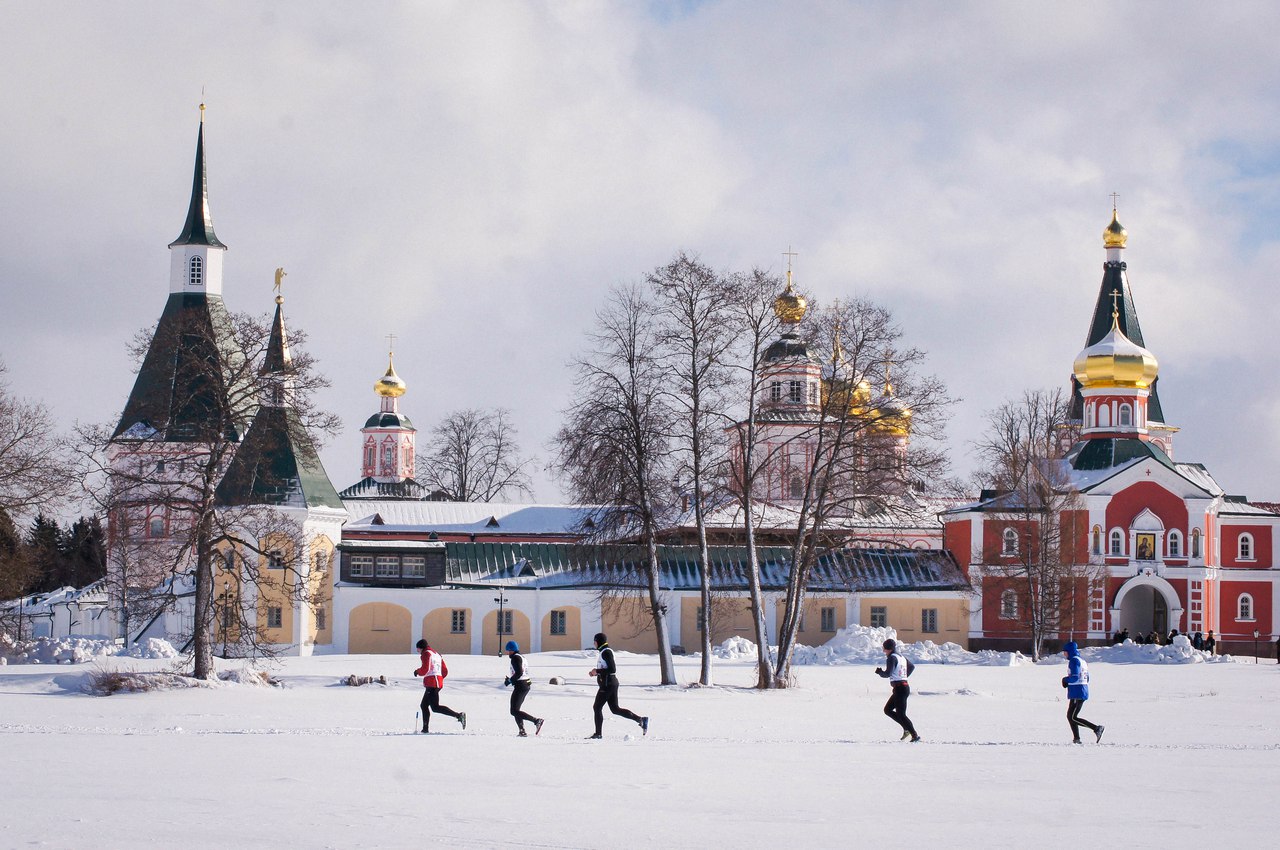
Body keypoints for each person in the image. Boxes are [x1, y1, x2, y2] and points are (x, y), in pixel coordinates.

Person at [587, 632, 648, 739]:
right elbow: (606, 669)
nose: (594, 644)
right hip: (610, 683)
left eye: (594, 642)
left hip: (608, 684)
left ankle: (598, 734)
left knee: (597, 707)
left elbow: (612, 669)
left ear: (597, 642)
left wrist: (597, 671)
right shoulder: (604, 652)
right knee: (615, 709)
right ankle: (641, 720)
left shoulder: (606, 652)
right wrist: (596, 672)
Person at [414, 638, 466, 733]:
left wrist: (417, 672)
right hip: (436, 682)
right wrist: (440, 678)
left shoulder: (426, 654)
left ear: (421, 648)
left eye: (418, 649)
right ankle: (425, 729)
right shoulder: (437, 654)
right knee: (424, 705)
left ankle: (459, 715)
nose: (418, 651)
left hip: (432, 683)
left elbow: (425, 669)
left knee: (435, 707)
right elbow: (445, 671)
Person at [875, 639, 919, 742]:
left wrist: (880, 672)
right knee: (888, 710)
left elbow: (888, 673)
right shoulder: (901, 656)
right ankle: (906, 729)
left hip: (900, 688)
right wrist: (903, 676)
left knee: (901, 714)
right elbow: (912, 667)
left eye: (884, 649)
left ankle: (914, 735)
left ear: (888, 649)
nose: (884, 651)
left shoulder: (891, 658)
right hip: (902, 687)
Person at [1061, 641, 1103, 744]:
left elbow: (1074, 677)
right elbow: (1087, 678)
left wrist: (1065, 680)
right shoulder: (1082, 661)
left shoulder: (1074, 661)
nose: (1064, 654)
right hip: (1081, 691)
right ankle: (1077, 739)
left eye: (1065, 652)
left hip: (1077, 692)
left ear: (1070, 652)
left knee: (1072, 717)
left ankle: (1097, 728)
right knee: (1071, 716)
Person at [504, 640, 544, 737]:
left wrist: (510, 681)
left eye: (509, 651)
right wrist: (511, 679)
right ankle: (522, 731)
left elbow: (519, 673)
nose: (508, 653)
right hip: (525, 684)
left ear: (513, 650)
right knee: (516, 710)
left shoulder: (515, 658)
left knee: (514, 711)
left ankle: (536, 721)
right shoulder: (522, 657)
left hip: (520, 685)